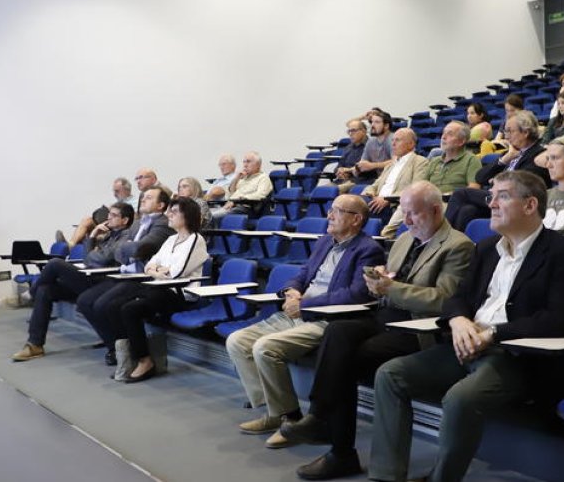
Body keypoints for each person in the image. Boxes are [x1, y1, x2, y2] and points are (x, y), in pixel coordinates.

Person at [369, 171, 564, 482]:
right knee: (390, 374)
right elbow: (457, 298)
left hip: (516, 356)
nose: (492, 204)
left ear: (530, 205)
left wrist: (493, 334)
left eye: (502, 196)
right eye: (491, 196)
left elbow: (562, 318)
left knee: (461, 398)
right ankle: (386, 475)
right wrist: (458, 320)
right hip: (466, 345)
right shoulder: (486, 249)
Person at [279, 182, 472, 477]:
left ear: (436, 210)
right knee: (337, 332)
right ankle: (319, 416)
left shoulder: (458, 245)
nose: (406, 220)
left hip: (417, 327)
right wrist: (377, 282)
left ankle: (338, 450)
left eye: (413, 213)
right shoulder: (405, 239)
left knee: (345, 360)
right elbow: (385, 287)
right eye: (403, 212)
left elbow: (444, 300)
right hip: (384, 316)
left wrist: (391, 287)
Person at [225, 195, 384, 446]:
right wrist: (292, 290)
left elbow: (356, 294)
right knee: (237, 341)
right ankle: (275, 413)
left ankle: (291, 419)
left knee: (265, 348)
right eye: (330, 210)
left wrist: (305, 305)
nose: (329, 215)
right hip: (299, 310)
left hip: (326, 320)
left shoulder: (368, 250)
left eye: (337, 211)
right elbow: (304, 273)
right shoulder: (325, 242)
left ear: (356, 219)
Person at [11, 202, 136, 362]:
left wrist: (94, 250)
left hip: (103, 281)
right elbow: (88, 258)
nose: (108, 218)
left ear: (125, 220)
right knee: (46, 290)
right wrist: (92, 237)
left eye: (113, 215)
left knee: (55, 263)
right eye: (109, 215)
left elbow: (101, 259)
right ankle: (35, 344)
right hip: (91, 277)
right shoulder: (108, 235)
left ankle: (30, 294)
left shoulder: (125, 237)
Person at [112, 198, 211, 383]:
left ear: (187, 216)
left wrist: (157, 271)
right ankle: (129, 359)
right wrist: (159, 270)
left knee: (130, 309)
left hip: (179, 295)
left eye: (174, 211)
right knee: (118, 303)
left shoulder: (196, 240)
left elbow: (176, 273)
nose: (169, 215)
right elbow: (149, 265)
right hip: (160, 289)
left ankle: (145, 361)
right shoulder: (171, 239)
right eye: (169, 211)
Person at [76, 188, 175, 364]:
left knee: (103, 305)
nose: (143, 200)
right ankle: (115, 347)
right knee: (84, 301)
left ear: (161, 205)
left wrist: (128, 247)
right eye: (143, 197)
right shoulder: (137, 224)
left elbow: (139, 249)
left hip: (142, 277)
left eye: (149, 198)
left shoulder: (162, 223)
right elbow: (119, 255)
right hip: (124, 274)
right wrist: (128, 248)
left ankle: (125, 352)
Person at [444, 111, 548, 231]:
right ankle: (454, 241)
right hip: (495, 199)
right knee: (467, 211)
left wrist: (498, 180)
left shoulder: (539, 155)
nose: (506, 136)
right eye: (505, 131)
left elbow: (523, 184)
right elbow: (480, 177)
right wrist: (504, 159)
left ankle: (442, 235)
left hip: (513, 201)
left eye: (509, 131)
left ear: (525, 132)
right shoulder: (510, 153)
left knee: (460, 193)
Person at [361, 128, 427, 230]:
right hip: (376, 201)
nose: (393, 144)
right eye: (392, 140)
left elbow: (416, 189)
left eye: (398, 140)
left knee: (351, 210)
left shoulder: (420, 162)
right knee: (351, 203)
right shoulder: (391, 164)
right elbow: (375, 185)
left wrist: (387, 199)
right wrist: (370, 193)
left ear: (411, 144)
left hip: (393, 205)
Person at [60, 176, 135, 248]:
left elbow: (133, 218)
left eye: (117, 191)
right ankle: (71, 245)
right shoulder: (116, 203)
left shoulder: (135, 202)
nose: (114, 194)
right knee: (87, 220)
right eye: (114, 191)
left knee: (94, 235)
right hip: (107, 224)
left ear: (126, 190)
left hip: (119, 227)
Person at [213, 151, 274, 219]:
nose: (245, 165)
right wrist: (236, 178)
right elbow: (230, 194)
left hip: (248, 209)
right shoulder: (243, 179)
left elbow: (260, 195)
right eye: (244, 162)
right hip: (232, 207)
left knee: (213, 217)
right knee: (207, 215)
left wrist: (236, 201)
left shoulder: (263, 178)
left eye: (248, 162)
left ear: (258, 165)